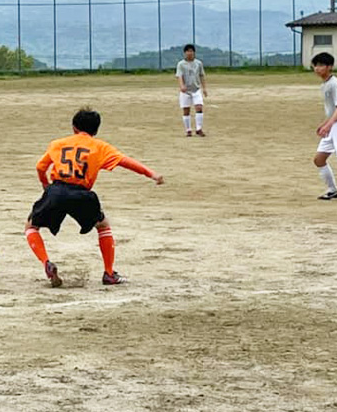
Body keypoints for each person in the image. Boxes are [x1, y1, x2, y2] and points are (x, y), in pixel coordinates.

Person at [24, 108, 164, 288]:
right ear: (96, 130)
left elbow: (40, 167)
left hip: (57, 190)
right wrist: (151, 174)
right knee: (103, 225)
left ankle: (46, 262)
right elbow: (126, 162)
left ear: (74, 127)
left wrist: (45, 185)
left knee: (31, 226)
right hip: (82, 194)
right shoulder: (100, 147)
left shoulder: (58, 144)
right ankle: (109, 273)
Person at [311, 52, 337, 200]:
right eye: (315, 65)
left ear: (330, 67)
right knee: (319, 160)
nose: (317, 68)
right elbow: (333, 109)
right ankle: (333, 189)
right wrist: (325, 124)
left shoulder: (334, 84)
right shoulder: (325, 84)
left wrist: (329, 125)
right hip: (332, 124)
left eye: (321, 65)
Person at [176, 44, 208, 137]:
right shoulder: (181, 64)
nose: (190, 53)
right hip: (185, 91)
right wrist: (182, 86)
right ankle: (188, 129)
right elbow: (179, 76)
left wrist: (204, 88)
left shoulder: (198, 63)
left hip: (196, 89)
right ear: (185, 53)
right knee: (186, 110)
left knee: (199, 107)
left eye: (191, 51)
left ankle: (199, 128)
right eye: (188, 51)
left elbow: (202, 75)